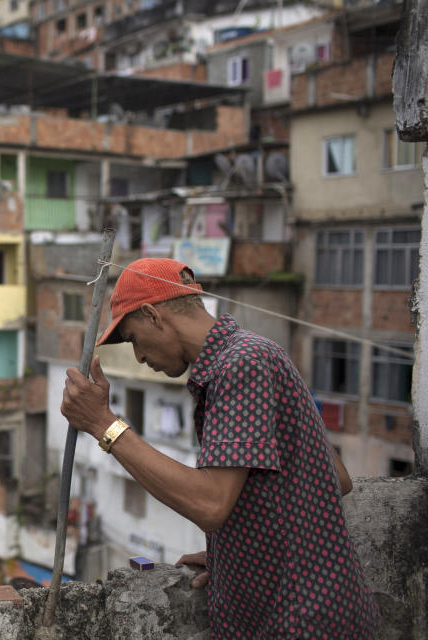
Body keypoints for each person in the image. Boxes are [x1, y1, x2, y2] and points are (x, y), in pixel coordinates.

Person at [60, 257, 378, 639]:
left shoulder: (240, 365)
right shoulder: (253, 353)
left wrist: (103, 424)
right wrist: (237, 553)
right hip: (314, 610)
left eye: (132, 340)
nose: (140, 357)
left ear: (153, 315)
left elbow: (211, 504)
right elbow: (335, 478)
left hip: (302, 620)